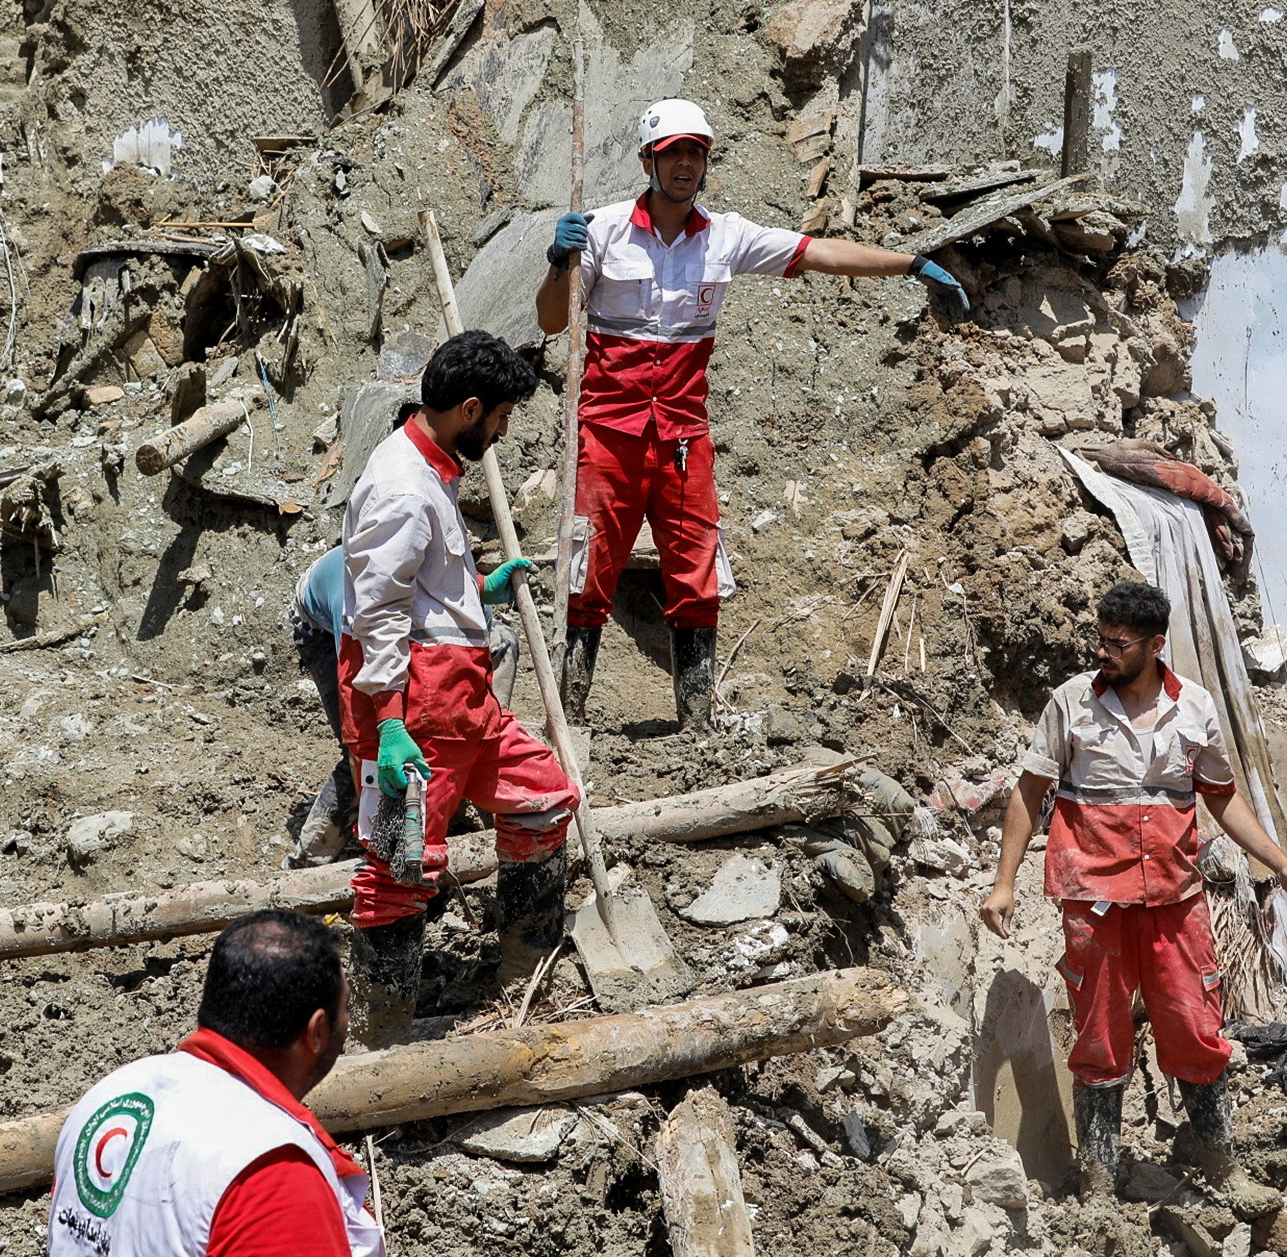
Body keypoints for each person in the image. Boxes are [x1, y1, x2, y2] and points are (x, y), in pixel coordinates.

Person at [535, 97, 971, 732]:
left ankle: (696, 725)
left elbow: (820, 252)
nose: (684, 164)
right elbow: (552, 321)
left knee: (696, 572)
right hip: (607, 435)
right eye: (672, 153)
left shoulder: (726, 237)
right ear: (648, 161)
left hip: (683, 439)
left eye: (695, 153)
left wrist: (911, 263)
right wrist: (557, 264)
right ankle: (569, 721)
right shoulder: (600, 232)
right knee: (587, 571)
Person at [977, 581, 1287, 1214]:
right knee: (1100, 1038)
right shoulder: (1071, 704)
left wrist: (1281, 863)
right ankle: (1101, 1183)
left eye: (1119, 642)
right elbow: (1030, 794)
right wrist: (1004, 882)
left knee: (1195, 1025)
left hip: (1175, 898)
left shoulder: (1195, 707)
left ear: (1156, 644)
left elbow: (1219, 796)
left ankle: (1220, 1165)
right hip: (1094, 898)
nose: (1104, 651)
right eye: (1100, 639)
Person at [339, 330, 580, 1046]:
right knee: (400, 863)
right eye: (501, 417)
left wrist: (477, 593)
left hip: (461, 698)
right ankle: (384, 1042)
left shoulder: (432, 469)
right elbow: (376, 610)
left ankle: (523, 979)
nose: (504, 431)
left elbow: (417, 589)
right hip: (413, 706)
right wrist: (386, 721)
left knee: (540, 799)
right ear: (469, 409)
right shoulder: (401, 488)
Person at [41, 910, 391, 1257]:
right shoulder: (271, 1167)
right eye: (345, 1009)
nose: (348, 1022)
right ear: (317, 1031)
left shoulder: (113, 1095)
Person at [285, 534, 520, 870]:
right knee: (372, 748)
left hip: (420, 625)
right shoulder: (364, 605)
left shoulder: (462, 600)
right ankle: (307, 864)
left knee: (501, 644)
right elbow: (361, 736)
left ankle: (484, 802)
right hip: (323, 623)